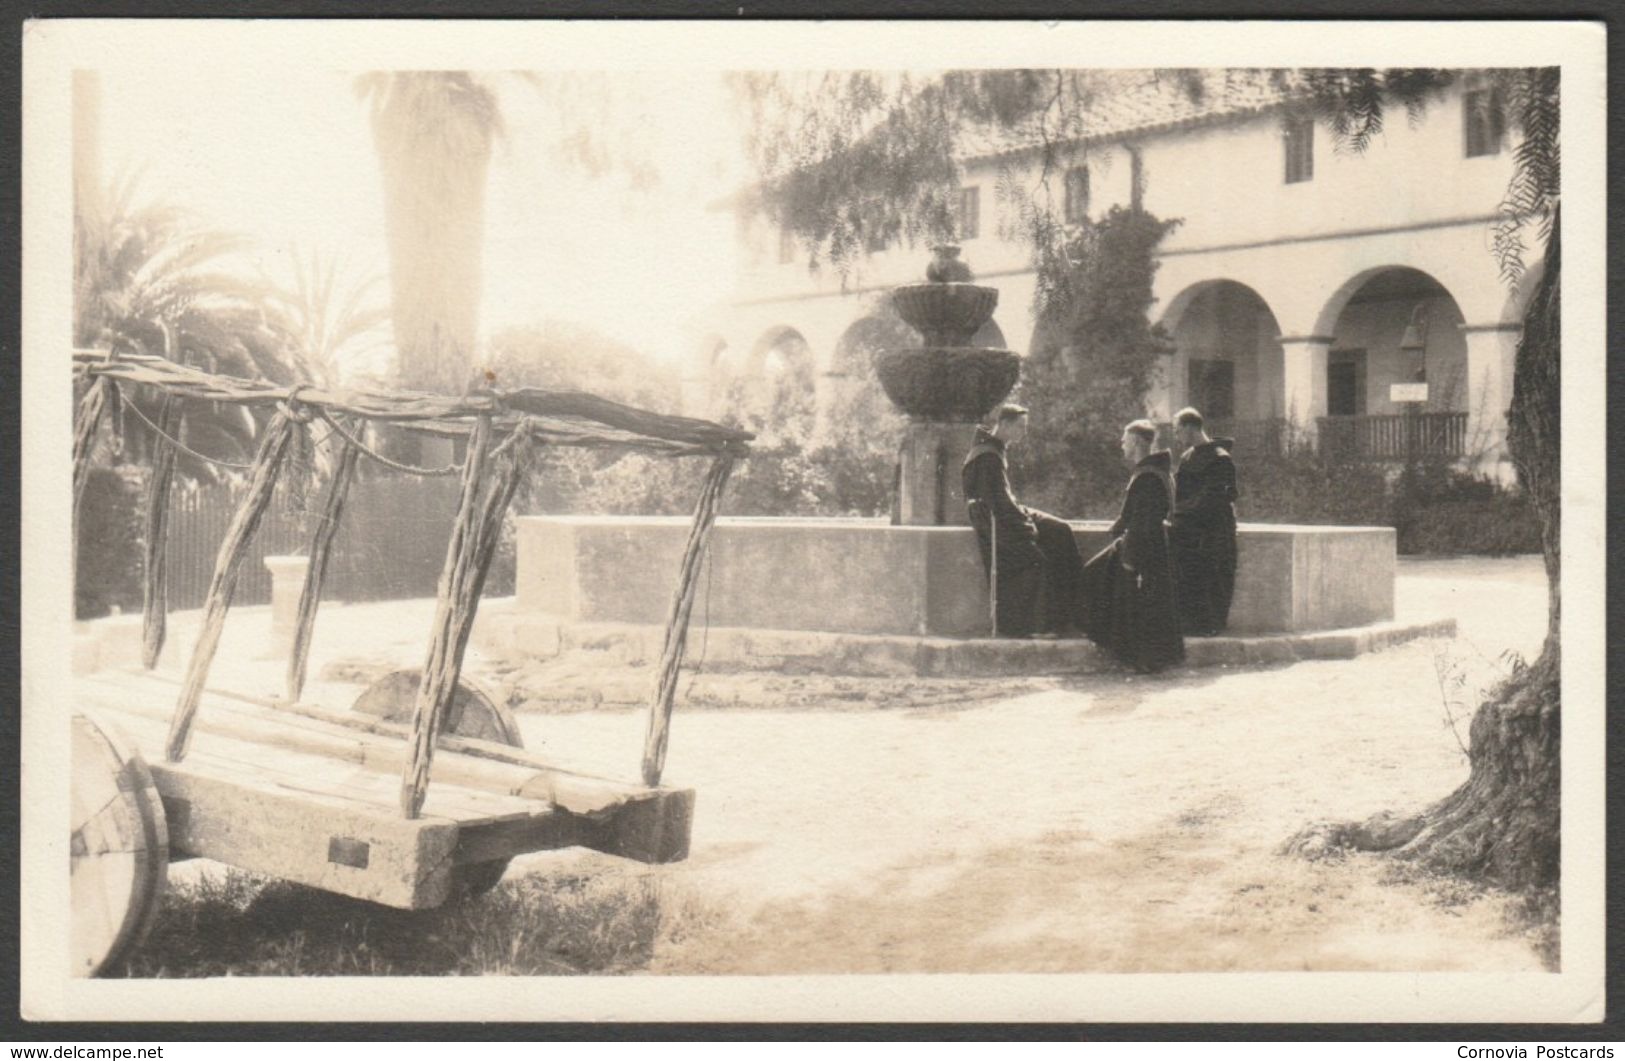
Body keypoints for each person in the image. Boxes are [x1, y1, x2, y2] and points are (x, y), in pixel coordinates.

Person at [962, 403, 1087, 638]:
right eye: (1020, 427)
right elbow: (998, 503)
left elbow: (1003, 499)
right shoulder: (988, 456)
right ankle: (1045, 624)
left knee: (1061, 530)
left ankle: (1078, 612)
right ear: (1005, 425)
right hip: (995, 523)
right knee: (1038, 558)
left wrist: (1024, 518)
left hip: (1005, 513)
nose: (1024, 432)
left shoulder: (993, 449)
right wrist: (1026, 525)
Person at [1080, 419, 1185, 672]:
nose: (1121, 444)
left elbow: (1143, 521)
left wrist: (1130, 556)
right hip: (1151, 545)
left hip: (1144, 549)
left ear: (1137, 442)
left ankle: (1139, 659)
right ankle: (1135, 656)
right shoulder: (1155, 470)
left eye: (1125, 439)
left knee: (1103, 582)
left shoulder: (1148, 476)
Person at [1168, 407, 1239, 637]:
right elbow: (1179, 493)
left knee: (1214, 575)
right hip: (1189, 528)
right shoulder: (1187, 457)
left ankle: (1211, 625)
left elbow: (1214, 497)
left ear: (1190, 428)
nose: (1177, 436)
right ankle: (1191, 623)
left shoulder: (1220, 458)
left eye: (1178, 430)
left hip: (1215, 530)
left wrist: (1181, 513)